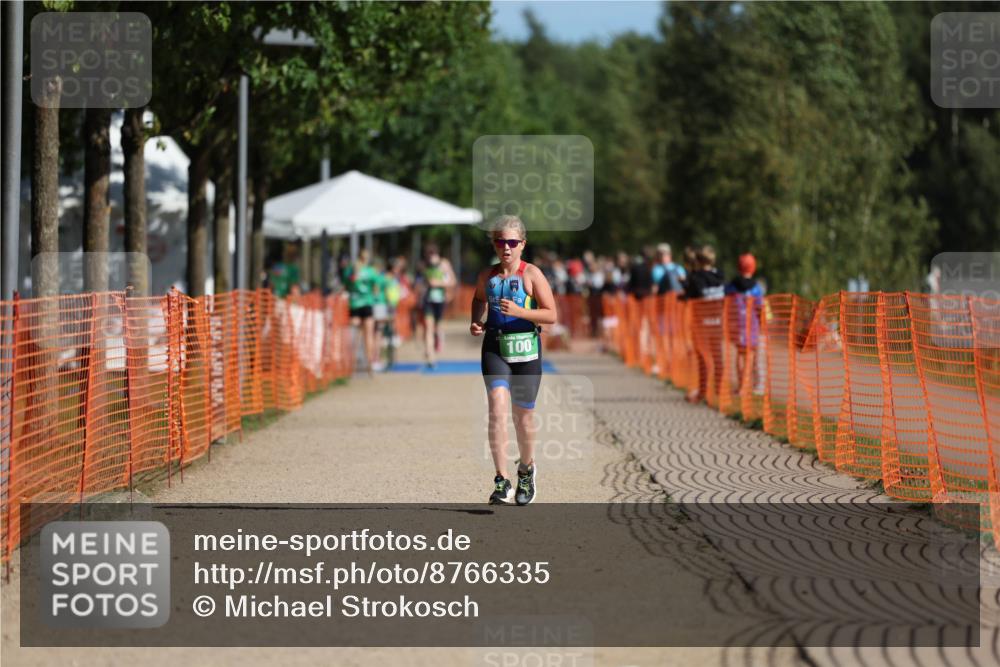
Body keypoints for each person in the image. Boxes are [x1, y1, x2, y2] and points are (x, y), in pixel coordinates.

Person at [470, 215, 557, 505]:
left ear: (522, 244)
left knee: (523, 417)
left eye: (511, 242)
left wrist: (521, 313)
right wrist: (476, 320)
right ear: (494, 244)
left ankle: (526, 469)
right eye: (500, 241)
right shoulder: (488, 276)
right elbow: (478, 298)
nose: (505, 247)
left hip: (526, 351)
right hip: (494, 347)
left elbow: (551, 315)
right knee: (496, 409)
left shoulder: (531, 274)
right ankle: (500, 479)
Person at [684, 244, 726, 403]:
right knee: (718, 357)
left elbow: (691, 295)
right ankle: (719, 390)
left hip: (701, 322)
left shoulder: (696, 278)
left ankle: (702, 392)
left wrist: (685, 287)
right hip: (717, 321)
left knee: (702, 357)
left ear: (698, 260)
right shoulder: (720, 276)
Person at [725, 253, 765, 394]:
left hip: (736, 325)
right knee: (749, 356)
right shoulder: (756, 288)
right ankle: (744, 386)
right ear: (753, 268)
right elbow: (760, 307)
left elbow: (725, 302)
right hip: (751, 326)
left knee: (739, 355)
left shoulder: (730, 286)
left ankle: (740, 384)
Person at [342, 248, 380, 377]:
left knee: (355, 336)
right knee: (368, 335)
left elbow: (346, 285)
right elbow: (376, 288)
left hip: (354, 305)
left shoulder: (351, 270)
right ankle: (370, 365)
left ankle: (352, 365)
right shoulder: (371, 272)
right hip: (367, 305)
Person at [420, 243, 456, 369]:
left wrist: (439, 284)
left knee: (437, 327)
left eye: (432, 255)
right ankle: (430, 356)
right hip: (428, 301)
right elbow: (421, 283)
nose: (430, 258)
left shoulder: (444, 264)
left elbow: (452, 281)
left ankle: (438, 339)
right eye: (428, 256)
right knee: (428, 327)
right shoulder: (424, 265)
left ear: (437, 254)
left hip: (440, 301)